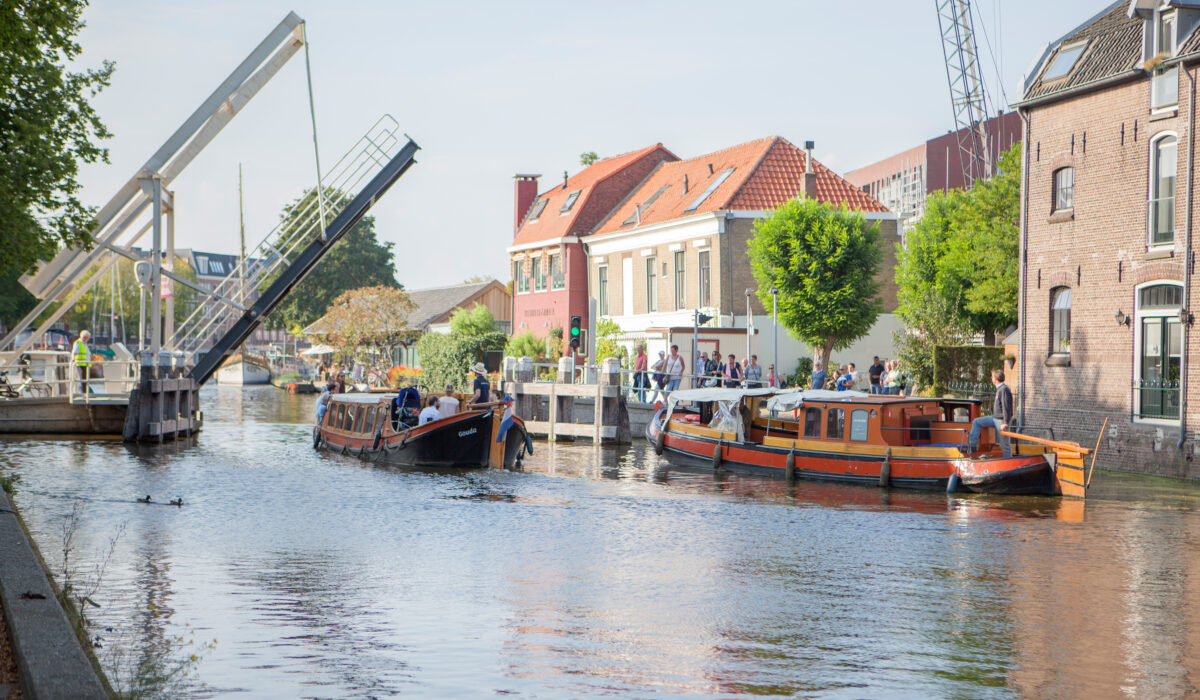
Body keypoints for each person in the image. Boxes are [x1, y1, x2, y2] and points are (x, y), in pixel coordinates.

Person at [965, 369, 1014, 458]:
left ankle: (1008, 460)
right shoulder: (999, 389)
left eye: (992, 377)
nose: (991, 378)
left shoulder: (1004, 390)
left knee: (1005, 444)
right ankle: (972, 446)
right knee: (977, 422)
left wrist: (1005, 422)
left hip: (1000, 420)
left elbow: (1006, 407)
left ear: (995, 379)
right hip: (995, 418)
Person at [72, 330, 92, 395]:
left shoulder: (84, 344)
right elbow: (75, 352)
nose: (88, 339)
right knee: (82, 379)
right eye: (88, 338)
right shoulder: (78, 343)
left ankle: (85, 391)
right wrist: (73, 360)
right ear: (85, 337)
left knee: (85, 378)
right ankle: (83, 392)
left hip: (84, 363)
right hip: (80, 364)